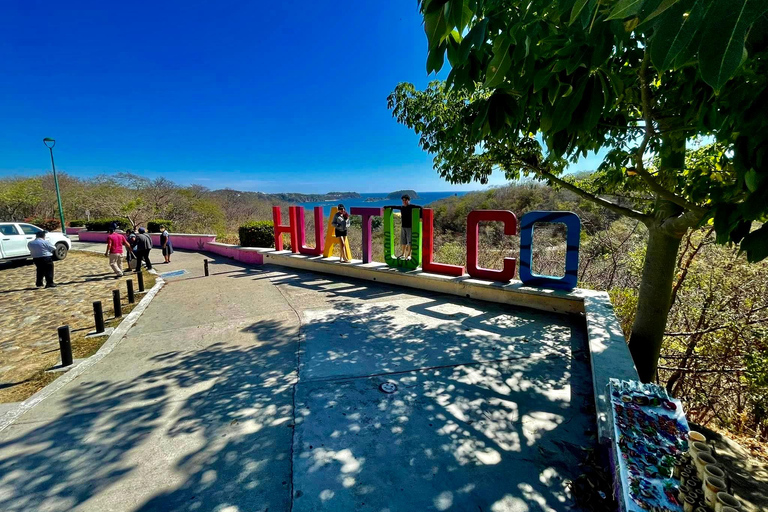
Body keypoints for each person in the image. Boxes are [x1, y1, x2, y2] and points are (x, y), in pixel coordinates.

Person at [384, 194, 422, 260]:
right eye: (403, 200)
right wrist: (385, 207)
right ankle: (403, 254)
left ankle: (409, 255)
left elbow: (421, 207)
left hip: (410, 227)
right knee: (403, 241)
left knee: (410, 242)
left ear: (408, 200)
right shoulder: (402, 208)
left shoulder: (411, 207)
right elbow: (393, 207)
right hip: (403, 227)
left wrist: (421, 217)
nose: (404, 201)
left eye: (406, 200)